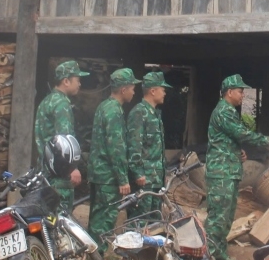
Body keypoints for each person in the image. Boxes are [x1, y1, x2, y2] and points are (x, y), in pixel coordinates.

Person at [206, 74, 269, 260]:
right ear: (229, 92)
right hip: (221, 172)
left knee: (226, 215)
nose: (243, 94)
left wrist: (236, 151)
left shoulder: (229, 112)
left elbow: (229, 138)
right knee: (218, 216)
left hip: (228, 170)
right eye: (241, 91)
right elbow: (241, 133)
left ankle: (218, 253)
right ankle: (207, 256)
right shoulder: (224, 111)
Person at [88, 67, 139, 235]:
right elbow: (116, 148)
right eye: (132, 88)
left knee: (97, 216)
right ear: (123, 89)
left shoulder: (104, 106)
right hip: (108, 176)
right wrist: (123, 179)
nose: (133, 92)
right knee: (106, 218)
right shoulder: (115, 111)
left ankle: (92, 255)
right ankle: (98, 257)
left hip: (98, 172)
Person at [34, 61, 88, 201]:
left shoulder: (47, 101)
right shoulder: (62, 104)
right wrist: (72, 169)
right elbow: (63, 142)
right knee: (60, 218)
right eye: (78, 80)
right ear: (66, 81)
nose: (80, 84)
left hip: (45, 169)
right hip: (59, 175)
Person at [127, 70, 170, 219]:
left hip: (156, 180)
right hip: (144, 180)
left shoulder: (155, 113)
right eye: (163, 90)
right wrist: (138, 173)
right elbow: (134, 145)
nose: (164, 93)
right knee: (140, 221)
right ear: (153, 91)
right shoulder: (139, 112)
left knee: (155, 222)